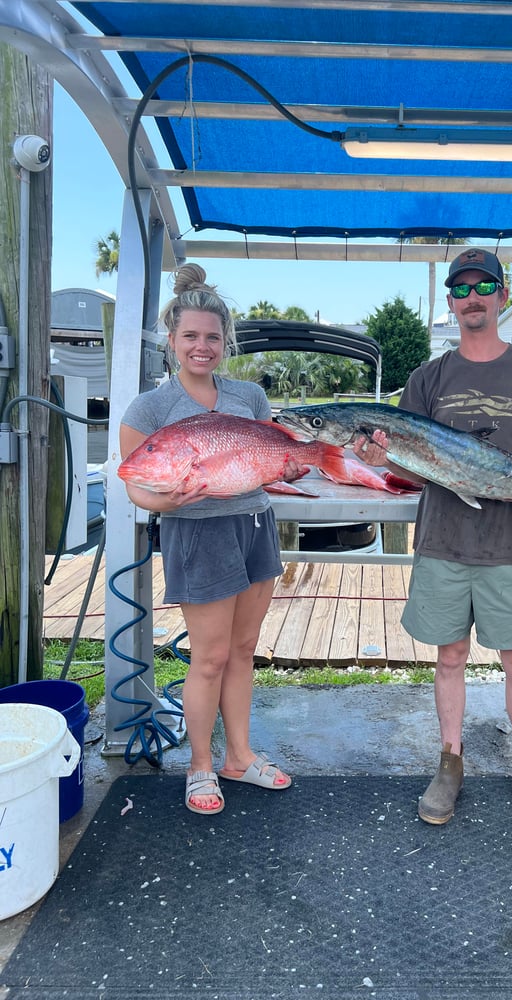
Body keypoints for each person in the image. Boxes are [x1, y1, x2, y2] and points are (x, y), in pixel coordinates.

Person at [354, 248, 512, 827]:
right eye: (461, 288)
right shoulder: (427, 377)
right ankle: (450, 762)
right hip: (443, 538)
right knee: (451, 657)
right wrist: (379, 455)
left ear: (502, 294)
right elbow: (414, 468)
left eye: (483, 285)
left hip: (510, 542)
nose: (472, 297)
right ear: (449, 301)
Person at [119, 263, 299, 815]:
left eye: (212, 337)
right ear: (172, 341)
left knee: (244, 650)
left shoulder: (249, 395)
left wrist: (288, 469)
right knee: (210, 658)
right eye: (191, 336)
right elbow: (135, 486)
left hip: (255, 527)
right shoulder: (149, 408)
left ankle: (238, 757)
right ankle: (200, 765)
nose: (202, 346)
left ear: (226, 342)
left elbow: (273, 458)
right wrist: (166, 502)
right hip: (197, 535)